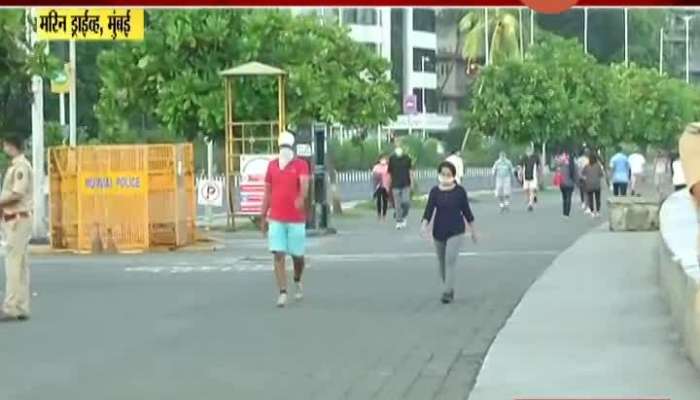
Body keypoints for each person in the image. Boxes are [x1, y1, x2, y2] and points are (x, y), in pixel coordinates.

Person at [260, 132, 310, 308]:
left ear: (292, 148)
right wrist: (263, 215)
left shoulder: (301, 165)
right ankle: (282, 291)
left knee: (298, 256)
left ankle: (297, 279)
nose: (284, 151)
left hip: (296, 218)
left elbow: (304, 184)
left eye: (287, 147)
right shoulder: (272, 166)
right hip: (277, 218)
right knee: (278, 254)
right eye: (282, 148)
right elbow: (267, 192)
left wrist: (301, 198)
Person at [420, 161, 477, 304]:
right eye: (443, 174)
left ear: (453, 175)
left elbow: (467, 212)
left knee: (450, 260)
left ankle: (446, 292)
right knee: (442, 263)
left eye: (448, 174)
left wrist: (473, 231)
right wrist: (424, 225)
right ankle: (449, 287)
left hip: (456, 230)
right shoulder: (435, 191)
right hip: (439, 230)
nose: (445, 177)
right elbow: (429, 210)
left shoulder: (459, 191)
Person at [0, 133, 34, 322]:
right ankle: (21, 305)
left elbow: (17, 194)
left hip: (17, 219)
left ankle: (11, 306)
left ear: (12, 146)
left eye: (5, 145)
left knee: (13, 262)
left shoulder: (20, 167)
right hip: (16, 218)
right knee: (20, 264)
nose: (4, 149)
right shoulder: (18, 165)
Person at [388, 140, 413, 230]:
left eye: (400, 145)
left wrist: (412, 182)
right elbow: (389, 172)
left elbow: (410, 171)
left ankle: (404, 215)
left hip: (406, 183)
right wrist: (388, 184)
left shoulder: (407, 158)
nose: (398, 147)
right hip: (395, 184)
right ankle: (399, 221)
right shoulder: (392, 159)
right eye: (396, 146)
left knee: (406, 202)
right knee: (397, 204)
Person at [581, 153, 605, 217]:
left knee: (590, 199)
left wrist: (586, 178)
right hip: (597, 184)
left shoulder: (586, 166)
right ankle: (598, 212)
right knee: (597, 199)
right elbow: (601, 175)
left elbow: (582, 174)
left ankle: (592, 212)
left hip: (589, 185)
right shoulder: (598, 166)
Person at [520, 146, 541, 212]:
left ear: (532, 152)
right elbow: (520, 166)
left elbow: (539, 166)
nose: (529, 153)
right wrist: (520, 174)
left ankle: (530, 204)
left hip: (533, 176)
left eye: (530, 151)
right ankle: (529, 198)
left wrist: (539, 174)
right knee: (526, 189)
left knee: (532, 189)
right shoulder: (524, 158)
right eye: (528, 151)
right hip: (525, 176)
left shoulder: (535, 157)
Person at [557, 151, 577, 218]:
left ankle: (564, 212)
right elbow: (576, 174)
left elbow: (557, 169)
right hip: (570, 184)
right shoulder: (573, 165)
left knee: (564, 198)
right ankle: (567, 213)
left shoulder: (562, 165)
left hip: (563, 184)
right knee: (568, 198)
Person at [372, 156, 390, 221]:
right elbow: (374, 177)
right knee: (379, 200)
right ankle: (379, 214)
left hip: (386, 186)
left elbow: (390, 176)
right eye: (382, 159)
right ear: (379, 160)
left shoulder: (388, 167)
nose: (383, 160)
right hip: (379, 186)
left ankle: (384, 215)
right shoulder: (376, 167)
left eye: (384, 159)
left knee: (385, 201)